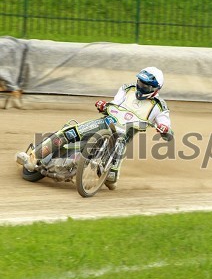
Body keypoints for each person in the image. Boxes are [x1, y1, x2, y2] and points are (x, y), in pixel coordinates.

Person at [17, 67, 173, 190]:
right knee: (70, 132)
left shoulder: (160, 106)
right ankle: (33, 157)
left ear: (156, 89)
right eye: (140, 83)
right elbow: (113, 104)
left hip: (122, 138)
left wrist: (164, 129)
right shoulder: (127, 89)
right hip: (105, 123)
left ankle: (86, 169)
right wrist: (103, 106)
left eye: (146, 86)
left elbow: (167, 131)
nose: (141, 87)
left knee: (111, 181)